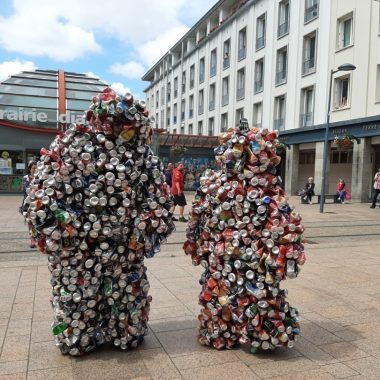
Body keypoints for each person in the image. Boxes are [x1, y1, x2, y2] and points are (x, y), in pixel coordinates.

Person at [22, 160, 37, 248]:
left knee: (37, 223)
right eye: (33, 168)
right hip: (28, 204)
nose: (35, 170)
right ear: (29, 169)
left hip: (38, 204)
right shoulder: (25, 178)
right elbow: (26, 190)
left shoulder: (40, 177)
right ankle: (32, 240)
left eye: (36, 168)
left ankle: (38, 240)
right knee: (30, 223)